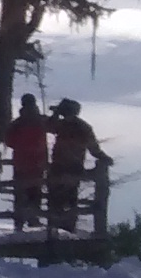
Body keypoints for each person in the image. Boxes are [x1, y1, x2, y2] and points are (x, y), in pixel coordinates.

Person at [46, 98, 108, 230]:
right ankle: (67, 229)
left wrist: (56, 113)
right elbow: (94, 148)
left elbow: (48, 126)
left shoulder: (63, 125)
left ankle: (56, 230)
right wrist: (103, 157)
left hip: (60, 167)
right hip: (73, 167)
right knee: (69, 200)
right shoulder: (83, 127)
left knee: (56, 201)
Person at [3, 93, 52, 231]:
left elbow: (9, 141)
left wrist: (21, 147)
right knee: (35, 192)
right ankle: (33, 219)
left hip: (21, 162)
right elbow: (55, 127)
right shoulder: (41, 121)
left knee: (20, 192)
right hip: (38, 162)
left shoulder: (17, 123)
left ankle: (19, 222)